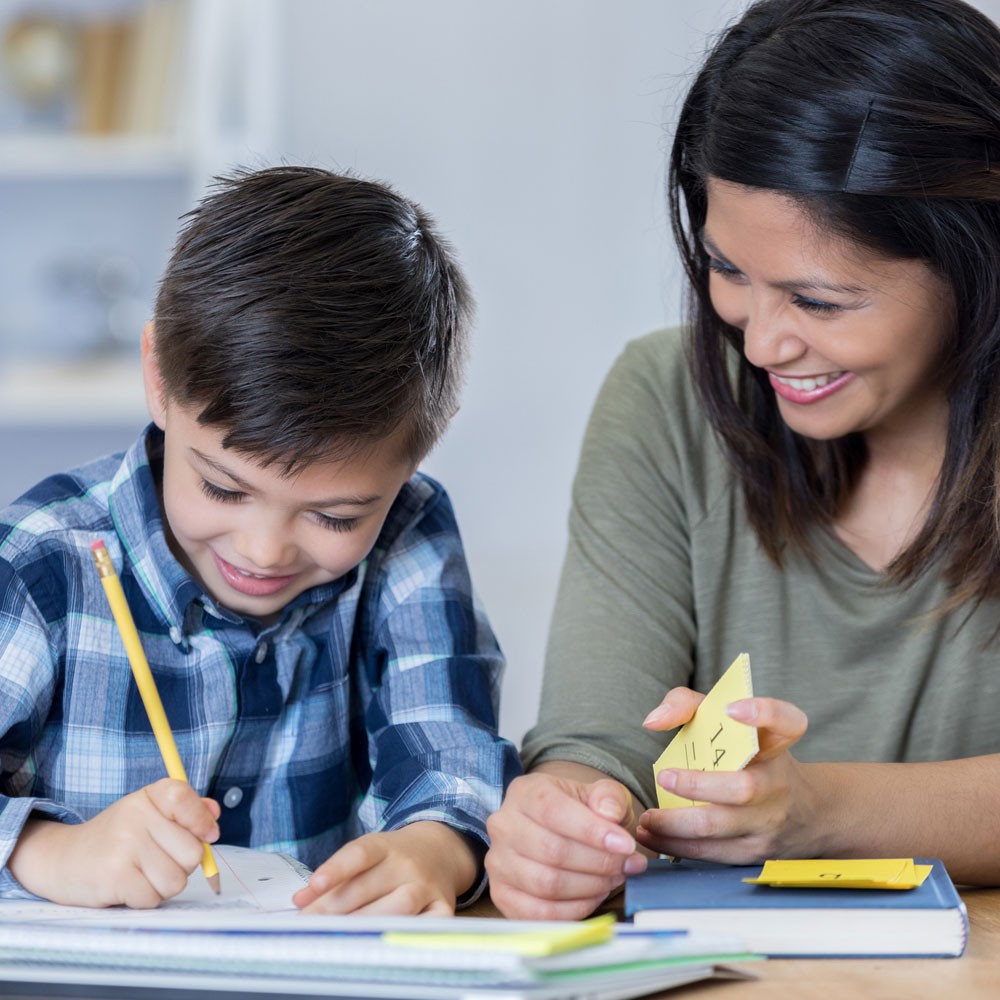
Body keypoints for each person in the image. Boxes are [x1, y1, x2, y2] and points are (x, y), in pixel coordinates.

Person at [485, 0, 1000, 920]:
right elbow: (600, 739)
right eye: (728, 270)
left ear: (977, 265)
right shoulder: (663, 399)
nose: (762, 344)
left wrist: (819, 812)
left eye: (819, 300)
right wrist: (567, 817)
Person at [0, 166, 521, 913]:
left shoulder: (407, 532)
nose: (265, 550)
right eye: (222, 488)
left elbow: (450, 751)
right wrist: (49, 850)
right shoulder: (43, 562)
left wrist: (436, 848)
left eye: (335, 518)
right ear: (158, 378)